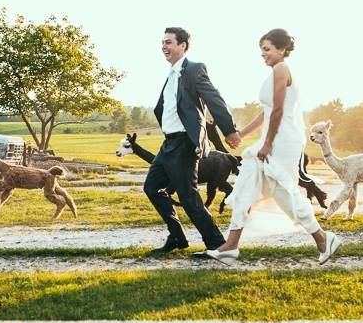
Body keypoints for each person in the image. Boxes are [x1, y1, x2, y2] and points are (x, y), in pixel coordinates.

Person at [206, 29, 342, 265]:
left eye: (267, 49)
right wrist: (242, 134)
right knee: (245, 185)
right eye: (261, 50)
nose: (263, 54)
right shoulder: (274, 73)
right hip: (274, 136)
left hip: (282, 139)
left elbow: (278, 110)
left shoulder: (281, 69)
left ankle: (322, 239)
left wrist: (267, 143)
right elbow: (267, 112)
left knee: (283, 191)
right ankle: (231, 246)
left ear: (281, 49)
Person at [144, 27, 241, 253]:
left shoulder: (194, 69)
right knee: (152, 187)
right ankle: (177, 237)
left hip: (184, 143)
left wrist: (229, 130)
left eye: (168, 42)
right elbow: (165, 108)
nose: (164, 47)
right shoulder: (171, 74)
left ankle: (217, 245)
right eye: (162, 42)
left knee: (188, 195)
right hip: (168, 144)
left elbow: (214, 99)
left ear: (183, 45)